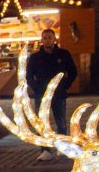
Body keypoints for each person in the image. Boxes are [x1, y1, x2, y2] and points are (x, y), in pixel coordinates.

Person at [26, 29, 78, 161]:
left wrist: (64, 85)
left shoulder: (63, 54)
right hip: (41, 95)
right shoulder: (35, 57)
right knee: (42, 123)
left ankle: (62, 147)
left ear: (54, 39)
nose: (47, 40)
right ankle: (45, 150)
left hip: (59, 94)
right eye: (44, 38)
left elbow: (72, 71)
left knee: (60, 121)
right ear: (41, 40)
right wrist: (37, 88)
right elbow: (29, 76)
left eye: (49, 37)